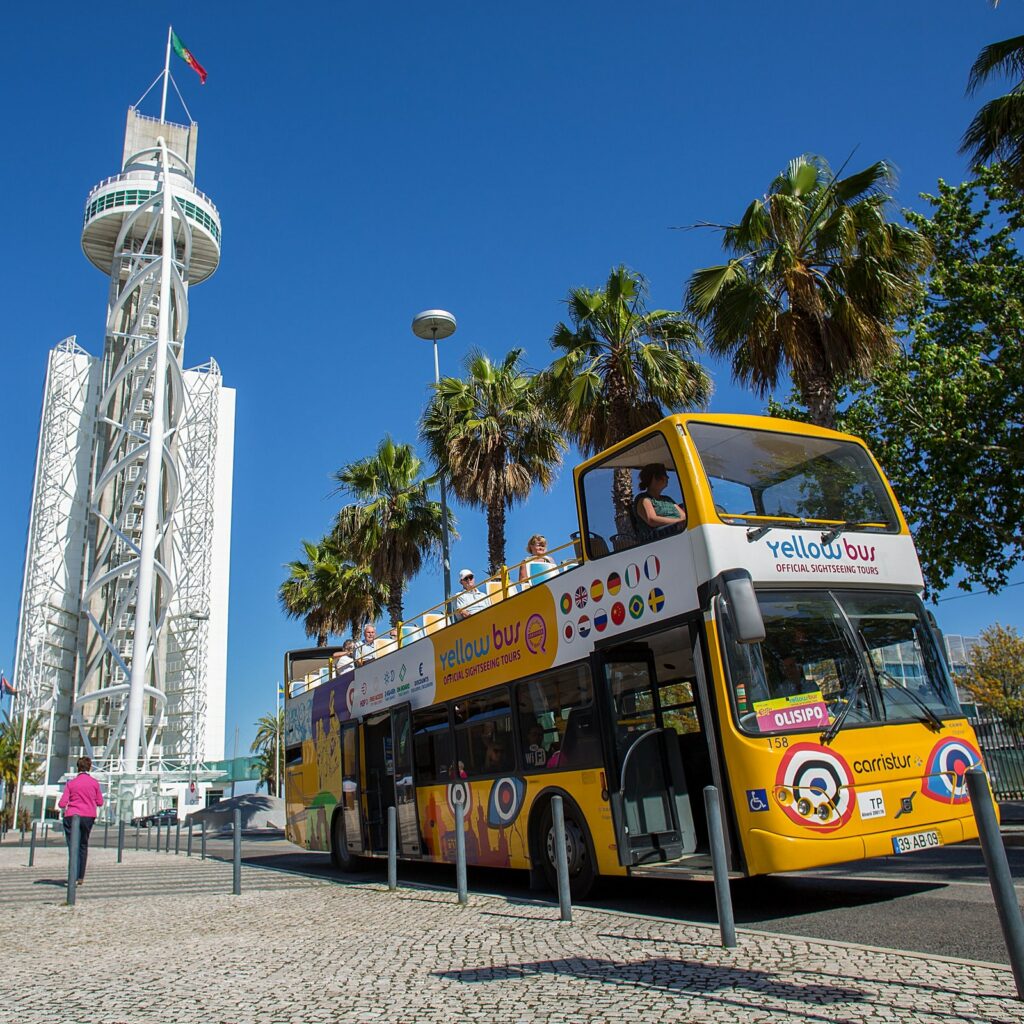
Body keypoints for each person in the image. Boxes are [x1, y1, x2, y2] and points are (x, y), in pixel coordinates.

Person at [57, 756, 104, 886]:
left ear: (78, 767)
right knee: (83, 845)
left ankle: (72, 875)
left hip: (72, 816)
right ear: (89, 767)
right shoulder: (94, 783)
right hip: (88, 816)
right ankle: (80, 877)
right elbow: (100, 802)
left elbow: (62, 803)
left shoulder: (71, 783)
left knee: (73, 847)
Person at [634, 463, 687, 540]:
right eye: (665, 475)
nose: (668, 478)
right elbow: (652, 519)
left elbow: (683, 516)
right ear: (655, 477)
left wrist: (682, 522)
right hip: (660, 540)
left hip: (679, 535)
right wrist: (677, 522)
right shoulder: (643, 499)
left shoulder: (667, 499)